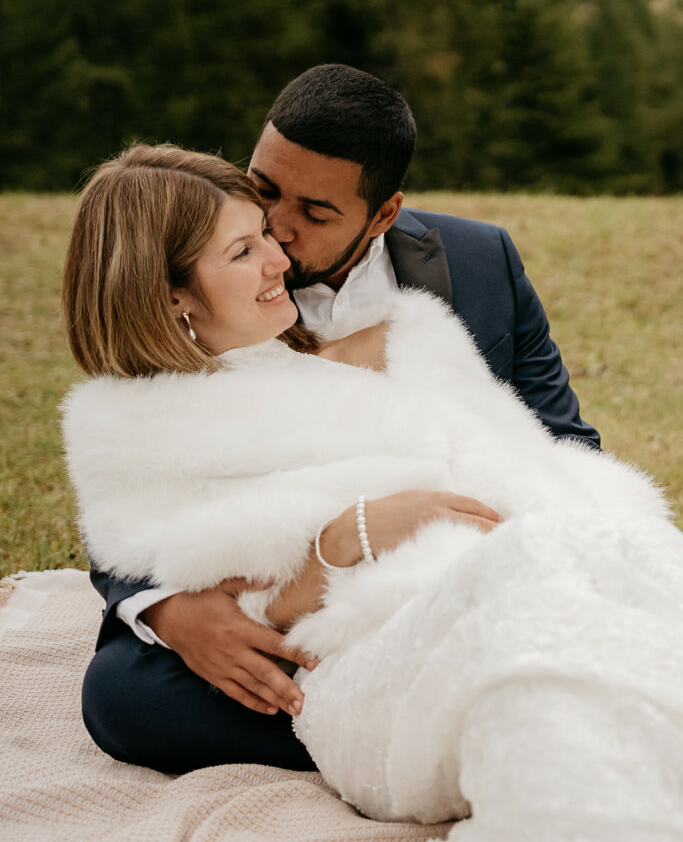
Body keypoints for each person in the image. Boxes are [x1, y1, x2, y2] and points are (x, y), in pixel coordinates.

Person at [62, 144, 683, 840]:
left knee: (590, 574)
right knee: (540, 640)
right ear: (168, 293)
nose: (280, 258)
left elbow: (542, 449)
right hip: (375, 637)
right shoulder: (142, 432)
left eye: (266, 234)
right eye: (245, 250)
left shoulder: (389, 332)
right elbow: (241, 600)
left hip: (506, 552)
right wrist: (344, 538)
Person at [84, 66, 602, 775]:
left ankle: (468, 717)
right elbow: (135, 487)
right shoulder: (188, 253)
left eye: (315, 213)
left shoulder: (480, 262)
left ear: (382, 213)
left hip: (453, 543)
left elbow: (560, 436)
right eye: (262, 192)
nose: (277, 233)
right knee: (123, 694)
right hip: (266, 581)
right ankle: (438, 731)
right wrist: (168, 610)